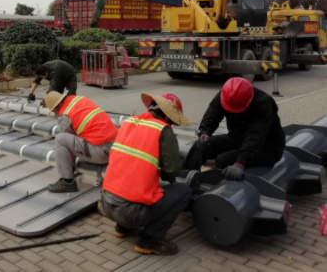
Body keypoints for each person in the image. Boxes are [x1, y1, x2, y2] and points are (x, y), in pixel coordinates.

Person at [101, 93, 192, 256]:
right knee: (183, 191)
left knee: (138, 180)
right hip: (130, 213)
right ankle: (149, 240)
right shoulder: (162, 130)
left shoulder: (128, 123)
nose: (170, 125)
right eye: (171, 121)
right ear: (167, 116)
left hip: (106, 204)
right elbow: (172, 171)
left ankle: (122, 228)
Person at [183, 77, 285, 180]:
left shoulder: (263, 103)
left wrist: (240, 163)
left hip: (267, 147)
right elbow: (212, 115)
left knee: (223, 160)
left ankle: (218, 186)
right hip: (237, 138)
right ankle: (184, 177)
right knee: (199, 147)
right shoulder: (226, 95)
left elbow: (256, 136)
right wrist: (204, 133)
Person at [43, 91, 117, 193]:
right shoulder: (79, 99)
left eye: (54, 110)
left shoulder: (64, 116)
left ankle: (67, 182)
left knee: (60, 139)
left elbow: (69, 146)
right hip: (115, 148)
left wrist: (70, 167)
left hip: (101, 152)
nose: (55, 113)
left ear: (57, 106)